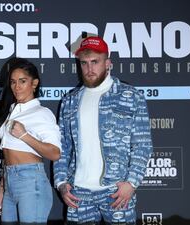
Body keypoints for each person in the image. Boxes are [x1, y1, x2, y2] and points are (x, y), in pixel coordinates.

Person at [53, 36, 153, 224]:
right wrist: (61, 183)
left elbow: (142, 145)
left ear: (108, 63)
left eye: (95, 62)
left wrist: (131, 183)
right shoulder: (70, 101)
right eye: (84, 63)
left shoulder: (131, 96)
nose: (89, 69)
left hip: (116, 191)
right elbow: (62, 146)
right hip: (78, 193)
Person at [0, 57, 61, 224]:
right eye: (13, 82)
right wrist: (2, 187)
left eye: (22, 81)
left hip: (31, 181)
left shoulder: (42, 112)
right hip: (10, 182)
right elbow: (8, 155)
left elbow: (55, 153)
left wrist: (24, 135)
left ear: (34, 83)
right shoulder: (11, 111)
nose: (17, 87)